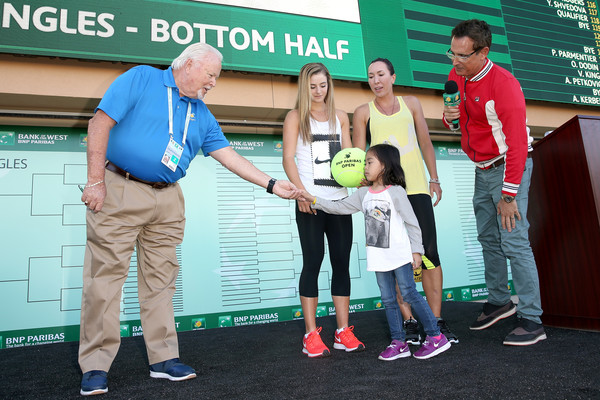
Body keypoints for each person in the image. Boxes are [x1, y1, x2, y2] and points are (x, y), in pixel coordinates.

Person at [78, 42, 300, 396]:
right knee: (104, 280)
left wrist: (273, 184)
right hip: (121, 187)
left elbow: (228, 155)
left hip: (167, 200)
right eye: (211, 75)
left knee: (162, 282)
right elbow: (100, 122)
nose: (213, 83)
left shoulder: (203, 114)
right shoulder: (141, 79)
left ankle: (163, 359)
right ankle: (95, 365)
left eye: (216, 78)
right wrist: (95, 181)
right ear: (190, 64)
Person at [442, 19, 546, 346]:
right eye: (451, 53)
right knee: (488, 237)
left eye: (462, 55)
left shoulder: (505, 85)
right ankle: (499, 300)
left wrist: (509, 195)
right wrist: (449, 117)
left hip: (507, 169)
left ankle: (531, 319)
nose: (455, 61)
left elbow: (516, 144)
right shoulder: (456, 76)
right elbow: (454, 118)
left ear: (483, 51)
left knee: (514, 242)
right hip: (481, 168)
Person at [300, 144, 451, 360]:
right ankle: (399, 342)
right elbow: (339, 207)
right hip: (378, 258)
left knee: (409, 293)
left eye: (369, 162)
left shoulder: (397, 192)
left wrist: (416, 251)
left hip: (399, 256)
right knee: (388, 300)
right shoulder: (363, 194)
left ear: (384, 166)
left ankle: (436, 337)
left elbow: (413, 223)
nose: (364, 167)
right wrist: (313, 199)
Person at [353, 58, 457, 345]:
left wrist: (434, 178)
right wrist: (360, 180)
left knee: (429, 255)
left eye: (381, 74)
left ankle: (435, 321)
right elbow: (358, 155)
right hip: (383, 195)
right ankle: (410, 321)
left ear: (393, 76)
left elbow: (425, 142)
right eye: (371, 76)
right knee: (393, 257)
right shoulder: (363, 112)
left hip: (417, 190)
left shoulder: (411, 103)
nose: (376, 80)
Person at [282, 62, 364, 358]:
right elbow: (289, 159)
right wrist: (300, 193)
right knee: (313, 262)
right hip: (310, 202)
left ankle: (343, 331)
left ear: (329, 85)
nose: (318, 91)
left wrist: (361, 182)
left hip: (340, 202)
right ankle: (310, 334)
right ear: (305, 88)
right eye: (313, 86)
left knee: (341, 263)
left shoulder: (341, 117)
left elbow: (348, 160)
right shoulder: (295, 117)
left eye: (323, 85)